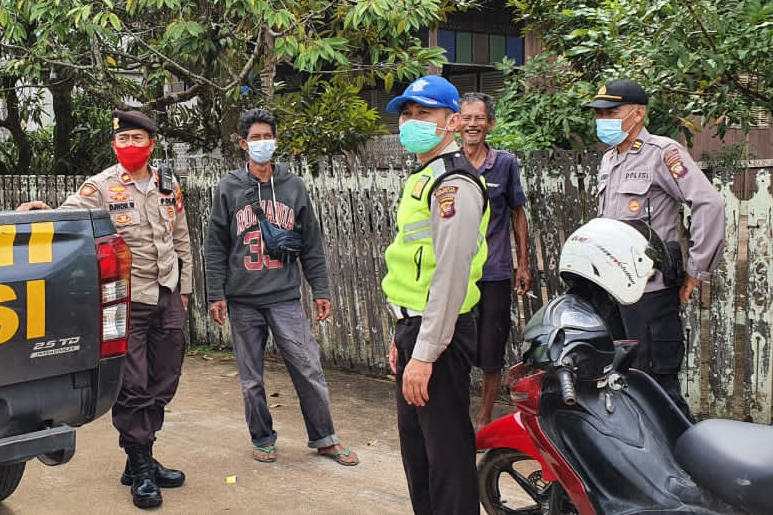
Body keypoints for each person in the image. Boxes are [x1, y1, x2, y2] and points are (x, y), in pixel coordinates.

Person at [17, 110, 191, 510]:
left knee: (165, 381)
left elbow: (181, 238)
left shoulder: (169, 185)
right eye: (123, 139)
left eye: (137, 139)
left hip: (166, 296)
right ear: (115, 145)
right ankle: (141, 464)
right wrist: (43, 214)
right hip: (126, 300)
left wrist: (185, 292)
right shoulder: (100, 187)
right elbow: (71, 216)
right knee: (133, 386)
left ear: (151, 144)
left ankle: (140, 456)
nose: (130, 146)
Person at [203, 108, 358, 467]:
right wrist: (216, 294)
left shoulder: (292, 186)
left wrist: (320, 289)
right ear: (243, 144)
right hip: (243, 300)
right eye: (254, 138)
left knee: (309, 368)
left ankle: (325, 438)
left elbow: (311, 243)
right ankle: (263, 438)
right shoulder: (228, 188)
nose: (262, 144)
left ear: (276, 140)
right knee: (251, 380)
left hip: (285, 297)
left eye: (266, 137)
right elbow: (215, 246)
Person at [584, 78, 725, 414]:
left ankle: (688, 459)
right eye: (599, 113)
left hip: (650, 289)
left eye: (612, 111)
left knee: (656, 384)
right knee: (621, 380)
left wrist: (696, 270)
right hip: (613, 289)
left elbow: (709, 204)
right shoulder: (609, 160)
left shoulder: (663, 153)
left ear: (638, 113)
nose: (603, 119)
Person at [382, 75, 488, 515]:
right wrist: (402, 334)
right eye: (406, 113)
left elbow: (450, 277)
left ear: (452, 122)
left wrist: (424, 354)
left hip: (438, 336)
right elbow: (415, 267)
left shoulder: (454, 185)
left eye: (423, 113)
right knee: (420, 456)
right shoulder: (424, 177)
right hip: (417, 329)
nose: (411, 121)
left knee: (447, 458)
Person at [458, 92, 532, 428]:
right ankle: (455, 412)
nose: (472, 124)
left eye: (479, 118)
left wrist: (524, 264)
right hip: (456, 272)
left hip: (495, 271)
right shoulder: (448, 162)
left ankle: (485, 417)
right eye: (466, 117)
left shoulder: (504, 163)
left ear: (490, 124)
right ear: (456, 122)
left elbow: (518, 213)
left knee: (491, 346)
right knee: (455, 343)